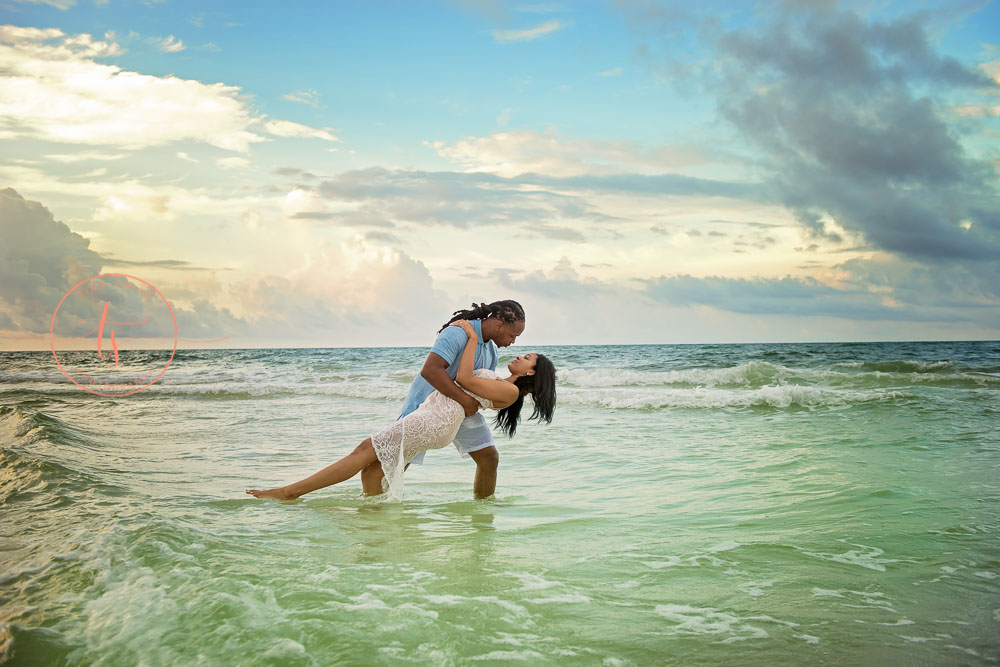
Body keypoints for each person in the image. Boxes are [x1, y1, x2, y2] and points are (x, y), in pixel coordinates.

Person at [245, 319, 556, 501]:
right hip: (433, 415)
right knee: (373, 465)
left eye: (526, 354)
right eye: (515, 339)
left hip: (436, 420)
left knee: (365, 450)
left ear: (530, 373)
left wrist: (472, 339)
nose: (516, 348)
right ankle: (375, 512)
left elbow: (464, 380)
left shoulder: (509, 387)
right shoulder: (499, 376)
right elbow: (455, 380)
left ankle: (290, 493)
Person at [365, 300, 527, 499]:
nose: (513, 342)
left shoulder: (491, 352)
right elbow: (431, 371)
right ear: (499, 325)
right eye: (513, 335)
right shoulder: (457, 332)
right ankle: (371, 508)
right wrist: (466, 401)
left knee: (489, 457)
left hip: (460, 411)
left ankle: (483, 511)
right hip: (427, 406)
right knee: (395, 464)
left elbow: (480, 388)